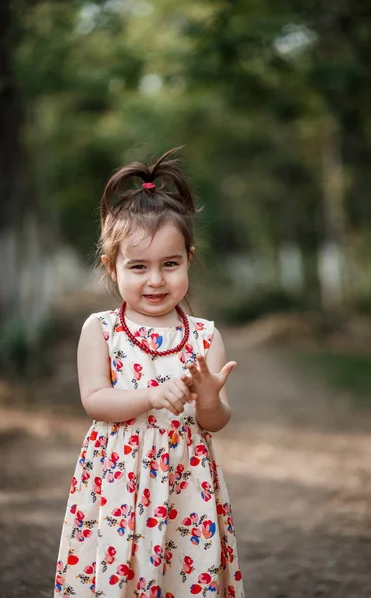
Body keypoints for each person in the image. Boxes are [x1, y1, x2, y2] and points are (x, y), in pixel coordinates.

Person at [53, 148, 245, 598]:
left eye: (170, 264)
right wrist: (152, 396)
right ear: (112, 267)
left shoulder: (204, 336)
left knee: (185, 572)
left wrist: (211, 398)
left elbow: (212, 422)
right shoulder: (101, 330)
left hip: (186, 484)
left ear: (188, 260)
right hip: (119, 482)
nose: (155, 280)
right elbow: (94, 400)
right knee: (122, 572)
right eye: (138, 267)